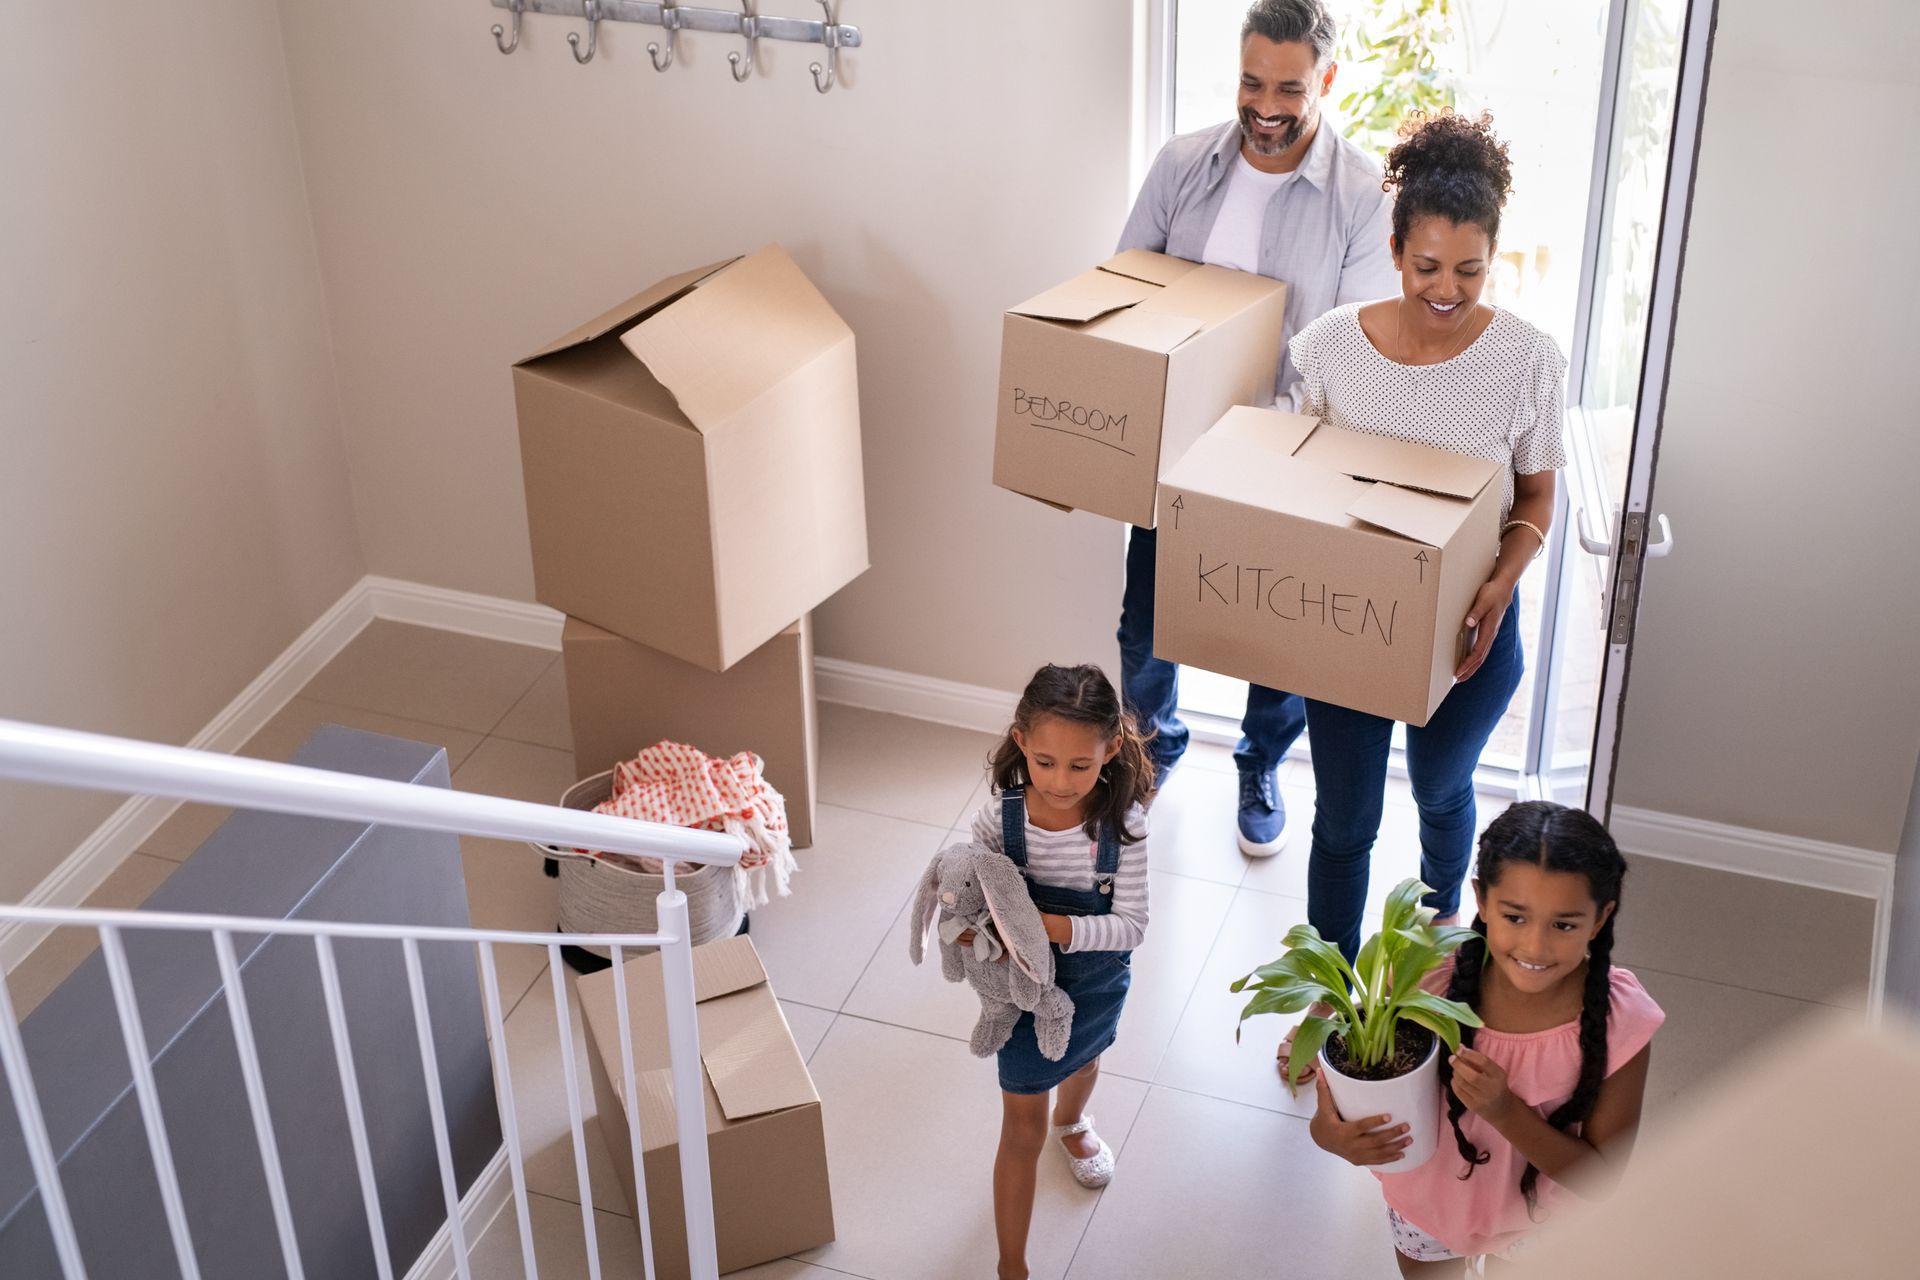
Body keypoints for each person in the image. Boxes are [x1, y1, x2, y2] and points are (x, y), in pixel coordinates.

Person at [1116, 0, 1399, 857]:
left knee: (1276, 638)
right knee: (1145, 622)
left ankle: (1259, 760)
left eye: (1288, 86)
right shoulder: (1181, 166)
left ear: (1328, 80)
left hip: (1285, 457)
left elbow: (1348, 350)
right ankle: (1150, 749)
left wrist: (1259, 440)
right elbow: (1126, 290)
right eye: (1250, 81)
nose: (1264, 105)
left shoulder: (1360, 193)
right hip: (1174, 449)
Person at [1287, 110, 1567, 960]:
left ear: (1493, 259)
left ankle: (1441, 934)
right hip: (1351, 624)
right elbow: (1299, 480)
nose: (1446, 289)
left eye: (1471, 271)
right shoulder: (1331, 347)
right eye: (1427, 267)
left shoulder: (1528, 360)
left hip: (1472, 627)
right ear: (1396, 247)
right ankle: (1328, 993)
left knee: (1443, 790)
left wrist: (1501, 582)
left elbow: (1537, 498)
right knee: (1344, 821)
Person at [1292, 801, 1664, 1273]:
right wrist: (1330, 1135)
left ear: (1601, 916)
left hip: (1543, 1225)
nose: (1535, 945)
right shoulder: (1421, 981)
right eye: (1515, 917)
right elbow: (1347, 1095)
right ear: (1481, 901)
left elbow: (1601, 1181)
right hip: (1426, 1208)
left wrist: (1505, 1112)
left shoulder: (1621, 1023)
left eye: (1564, 925)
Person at [966, 664, 1154, 1280]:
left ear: (1112, 750)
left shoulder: (1122, 829)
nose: (1061, 781)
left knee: (1086, 1058)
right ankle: (1011, 1265)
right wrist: (973, 930)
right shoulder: (1000, 820)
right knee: (1020, 1128)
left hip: (1095, 980)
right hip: (1024, 991)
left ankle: (1072, 1120)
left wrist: (1055, 928)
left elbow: (1131, 925)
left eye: (1081, 765)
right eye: (1045, 762)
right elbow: (973, 894)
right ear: (1021, 742)